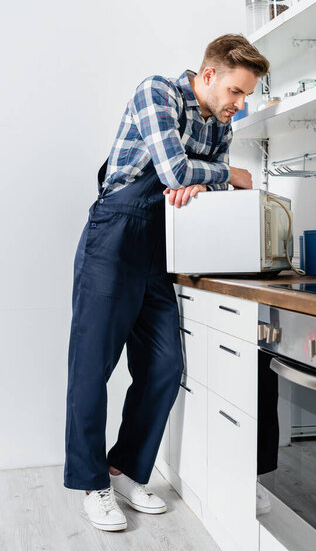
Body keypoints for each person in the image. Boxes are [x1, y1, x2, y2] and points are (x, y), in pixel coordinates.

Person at [63, 33, 270, 531]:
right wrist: (227, 174)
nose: (240, 106)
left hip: (161, 249)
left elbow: (195, 179)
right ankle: (92, 482)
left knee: (163, 366)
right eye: (236, 93)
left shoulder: (219, 126)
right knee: (92, 369)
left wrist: (206, 178)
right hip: (113, 237)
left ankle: (126, 469)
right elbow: (178, 171)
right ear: (208, 76)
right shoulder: (156, 92)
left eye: (247, 96)